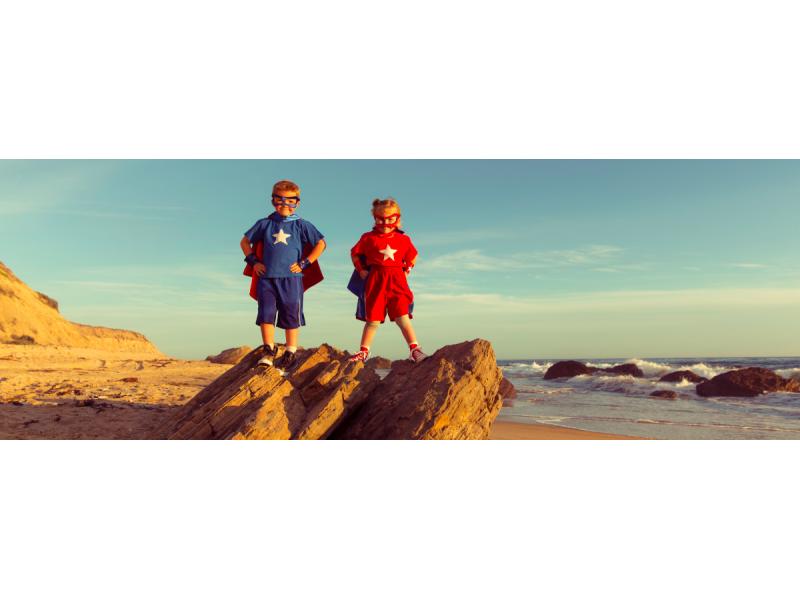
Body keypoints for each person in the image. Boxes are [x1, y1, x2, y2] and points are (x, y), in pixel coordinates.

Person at [240, 180, 326, 369]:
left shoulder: (302, 225)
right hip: (267, 278)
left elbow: (321, 244)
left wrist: (305, 263)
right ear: (272, 201)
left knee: (291, 314)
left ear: (297, 203)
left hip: (292, 279)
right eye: (279, 200)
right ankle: (269, 350)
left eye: (290, 201)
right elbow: (245, 242)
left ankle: (290, 350)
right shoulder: (264, 224)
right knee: (266, 314)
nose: (285, 205)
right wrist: (254, 262)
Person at [347, 197, 427, 363]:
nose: (385, 223)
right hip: (375, 280)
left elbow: (413, 255)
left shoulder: (403, 239)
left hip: (397, 280)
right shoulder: (368, 238)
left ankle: (414, 349)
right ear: (375, 218)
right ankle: (364, 351)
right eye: (381, 220)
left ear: (398, 219)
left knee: (402, 317)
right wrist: (360, 270)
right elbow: (354, 253)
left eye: (390, 219)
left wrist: (408, 270)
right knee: (372, 320)